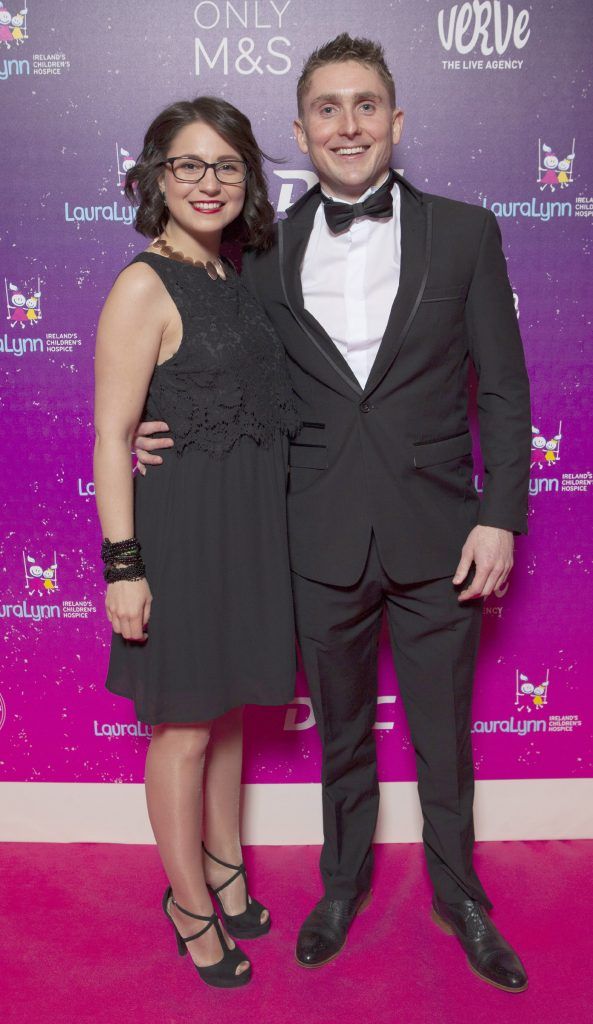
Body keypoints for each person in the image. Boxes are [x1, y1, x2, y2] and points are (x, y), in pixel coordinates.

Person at [135, 35, 532, 993]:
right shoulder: (256, 253)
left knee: (445, 733)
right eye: (326, 108)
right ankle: (342, 885)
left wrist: (501, 514)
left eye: (364, 106)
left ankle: (459, 895)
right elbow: (207, 359)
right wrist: (155, 429)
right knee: (341, 733)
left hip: (443, 533)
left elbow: (504, 391)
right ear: (301, 134)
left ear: (395, 122)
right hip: (310, 535)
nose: (346, 124)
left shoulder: (468, 231)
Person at [94, 96, 299, 989]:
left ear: (247, 177)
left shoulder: (239, 277)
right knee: (182, 729)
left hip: (248, 529)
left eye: (225, 165)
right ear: (156, 177)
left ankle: (225, 871)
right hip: (181, 536)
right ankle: (187, 906)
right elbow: (111, 436)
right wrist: (123, 568)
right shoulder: (144, 282)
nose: (208, 181)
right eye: (188, 164)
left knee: (225, 720)